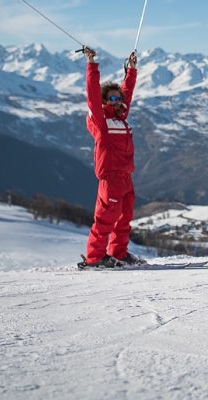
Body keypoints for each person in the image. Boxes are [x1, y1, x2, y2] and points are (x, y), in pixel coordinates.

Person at [78, 48, 143, 269]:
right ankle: (95, 257)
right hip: (110, 178)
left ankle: (119, 252)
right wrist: (91, 64)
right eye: (112, 98)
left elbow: (127, 92)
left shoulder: (120, 118)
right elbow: (93, 95)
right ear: (105, 100)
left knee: (124, 219)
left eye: (119, 99)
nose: (117, 102)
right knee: (105, 219)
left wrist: (131, 71)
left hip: (125, 176)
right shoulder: (101, 122)